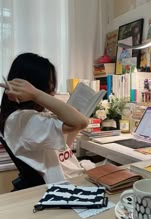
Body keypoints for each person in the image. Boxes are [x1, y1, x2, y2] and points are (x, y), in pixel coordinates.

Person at [0, 53, 95, 184]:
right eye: (49, 85)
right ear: (34, 86)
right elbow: (82, 122)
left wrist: (73, 117)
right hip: (69, 184)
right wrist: (36, 94)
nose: (53, 92)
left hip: (76, 175)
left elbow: (63, 147)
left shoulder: (29, 117)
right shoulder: (22, 119)